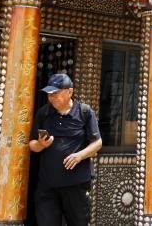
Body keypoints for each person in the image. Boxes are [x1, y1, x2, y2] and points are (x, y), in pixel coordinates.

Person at [29, 73, 102, 226]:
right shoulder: (44, 113)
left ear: (69, 92)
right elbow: (32, 145)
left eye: (55, 93)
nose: (52, 98)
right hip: (48, 185)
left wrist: (79, 156)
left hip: (76, 185)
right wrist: (41, 144)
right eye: (49, 94)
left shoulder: (84, 112)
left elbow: (97, 143)